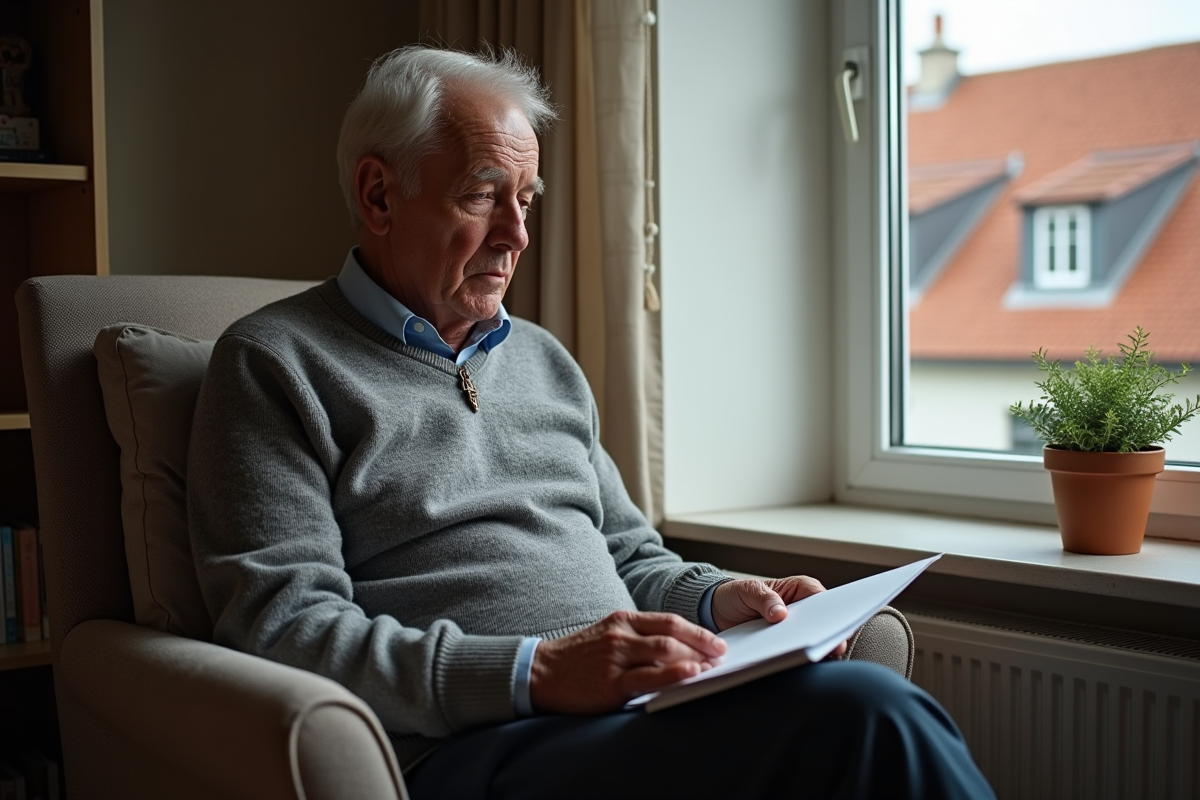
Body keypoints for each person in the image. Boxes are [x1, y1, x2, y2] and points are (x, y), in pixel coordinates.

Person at [187, 46, 995, 799]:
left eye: (526, 200)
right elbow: (285, 628)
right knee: (864, 715)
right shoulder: (276, 363)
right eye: (481, 196)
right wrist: (535, 671)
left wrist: (723, 599)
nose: (517, 235)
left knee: (862, 701)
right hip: (473, 746)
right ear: (378, 194)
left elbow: (628, 554)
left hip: (633, 711)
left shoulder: (541, 360)